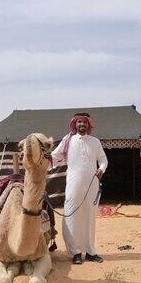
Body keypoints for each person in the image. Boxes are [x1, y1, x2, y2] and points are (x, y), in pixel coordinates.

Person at [51, 112, 108, 265]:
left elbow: (103, 159)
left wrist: (101, 169)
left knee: (90, 217)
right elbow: (54, 156)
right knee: (72, 216)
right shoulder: (68, 140)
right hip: (73, 184)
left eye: (84, 122)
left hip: (92, 185)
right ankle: (75, 252)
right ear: (74, 124)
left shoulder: (95, 142)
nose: (82, 125)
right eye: (79, 122)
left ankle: (90, 252)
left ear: (89, 124)